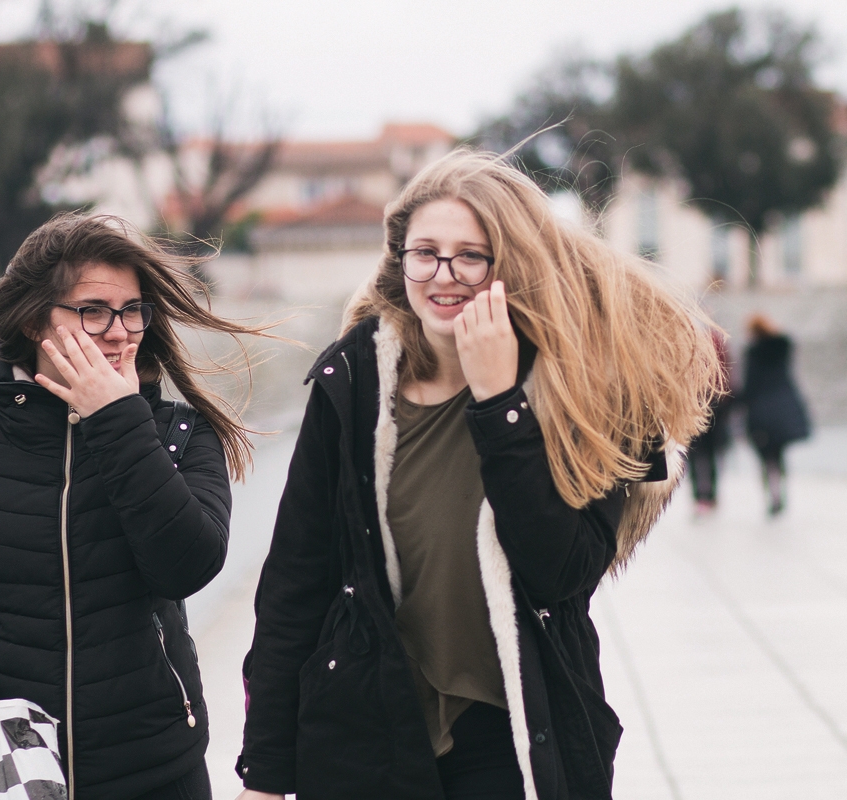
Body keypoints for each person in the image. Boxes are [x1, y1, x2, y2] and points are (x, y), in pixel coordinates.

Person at [234, 150, 719, 800]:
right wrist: (265, 772)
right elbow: (296, 580)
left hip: (513, 736)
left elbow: (562, 574)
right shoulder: (353, 379)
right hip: (368, 727)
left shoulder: (588, 390)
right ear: (400, 258)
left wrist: (499, 404)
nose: (445, 275)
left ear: (513, 263)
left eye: (471, 256)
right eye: (425, 253)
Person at [0, 213, 263, 800]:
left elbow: (187, 567)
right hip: (7, 768)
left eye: (132, 310)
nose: (119, 332)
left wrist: (118, 422)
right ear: (34, 320)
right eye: (93, 311)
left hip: (153, 770)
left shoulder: (180, 437)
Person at [740, 313, 810, 516]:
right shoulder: (783, 348)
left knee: (765, 456)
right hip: (783, 408)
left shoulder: (753, 353)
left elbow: (750, 385)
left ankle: (772, 493)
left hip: (761, 411)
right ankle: (780, 489)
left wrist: (736, 404)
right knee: (778, 454)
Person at [687, 329, 733, 514]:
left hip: (696, 403)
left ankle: (701, 495)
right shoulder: (718, 342)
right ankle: (710, 495)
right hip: (715, 404)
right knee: (711, 453)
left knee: (696, 453)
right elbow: (727, 376)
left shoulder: (690, 341)